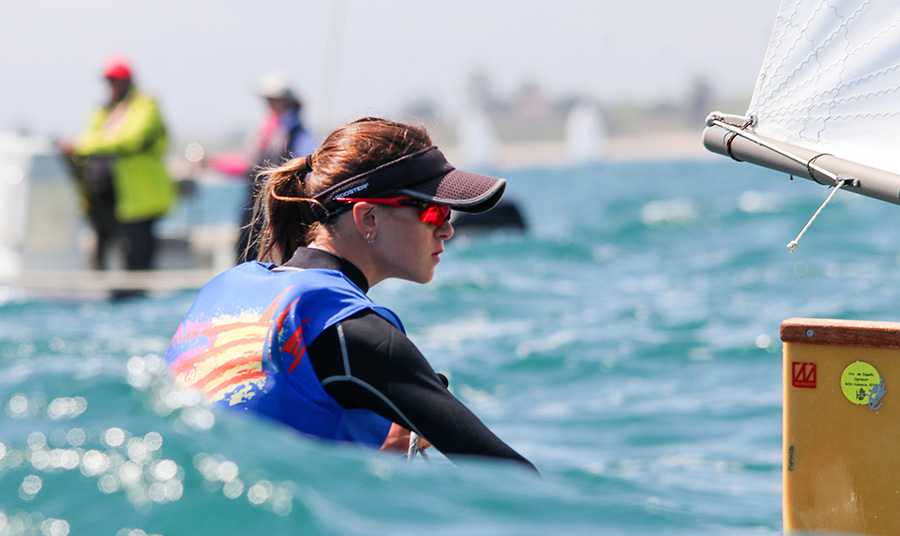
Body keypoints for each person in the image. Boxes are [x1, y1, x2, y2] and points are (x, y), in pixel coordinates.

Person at [165, 117, 537, 472]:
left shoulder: (227, 287)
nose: (447, 231)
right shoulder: (355, 332)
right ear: (367, 219)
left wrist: (383, 450)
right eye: (433, 211)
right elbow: (511, 476)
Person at [62, 56, 175, 273]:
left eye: (118, 80)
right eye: (110, 80)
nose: (114, 85)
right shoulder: (103, 110)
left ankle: (136, 297)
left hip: (140, 198)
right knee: (107, 246)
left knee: (138, 253)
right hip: (107, 197)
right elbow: (90, 136)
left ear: (129, 80)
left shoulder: (145, 105)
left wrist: (81, 147)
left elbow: (129, 140)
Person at [235, 72, 318, 263]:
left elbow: (309, 173)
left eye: (274, 100)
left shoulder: (300, 135)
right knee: (247, 254)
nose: (270, 105)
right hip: (256, 206)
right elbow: (248, 164)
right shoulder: (264, 130)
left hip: (283, 208)